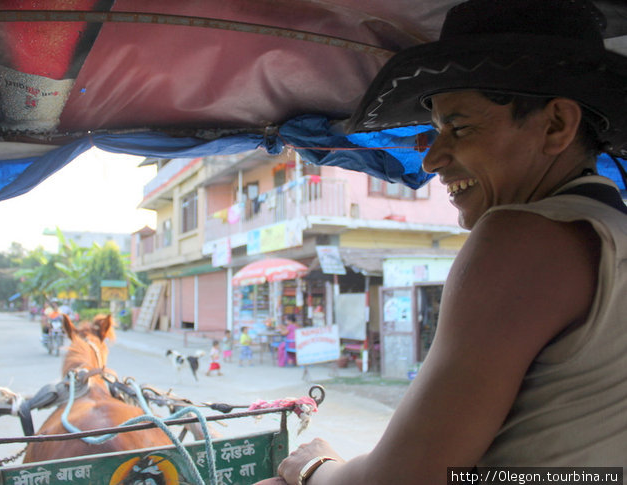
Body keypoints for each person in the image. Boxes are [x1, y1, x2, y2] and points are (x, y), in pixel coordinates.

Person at [257, 1, 627, 483]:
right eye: (433, 132)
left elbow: (403, 478)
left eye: (460, 127)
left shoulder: (523, 237)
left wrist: (315, 467)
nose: (432, 161)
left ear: (556, 125)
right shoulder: (611, 230)